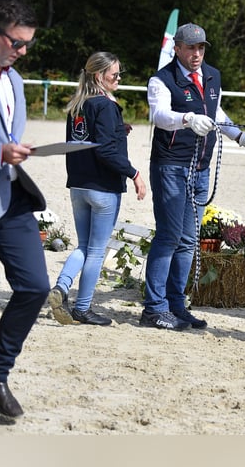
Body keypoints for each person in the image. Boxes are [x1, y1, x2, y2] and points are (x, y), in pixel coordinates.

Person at [143, 22, 245, 331]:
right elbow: (159, 115)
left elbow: (216, 115)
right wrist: (186, 119)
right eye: (190, 48)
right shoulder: (161, 80)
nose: (196, 54)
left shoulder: (212, 76)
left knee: (188, 241)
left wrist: (240, 137)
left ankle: (176, 304)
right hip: (171, 166)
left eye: (200, 48)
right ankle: (153, 308)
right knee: (169, 236)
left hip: (200, 167)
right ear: (178, 49)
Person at [47, 52, 147, 327]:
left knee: (84, 246)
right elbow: (105, 152)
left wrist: (118, 129)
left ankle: (62, 286)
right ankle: (82, 308)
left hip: (78, 185)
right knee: (96, 251)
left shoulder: (78, 106)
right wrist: (134, 173)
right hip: (102, 188)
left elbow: (90, 139)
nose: (118, 79)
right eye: (114, 75)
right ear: (98, 76)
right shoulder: (105, 105)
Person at [0, 0, 48, 418]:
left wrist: (16, 152)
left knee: (35, 286)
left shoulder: (14, 81)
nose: (23, 51)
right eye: (16, 43)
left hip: (10, 199)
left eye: (26, 43)